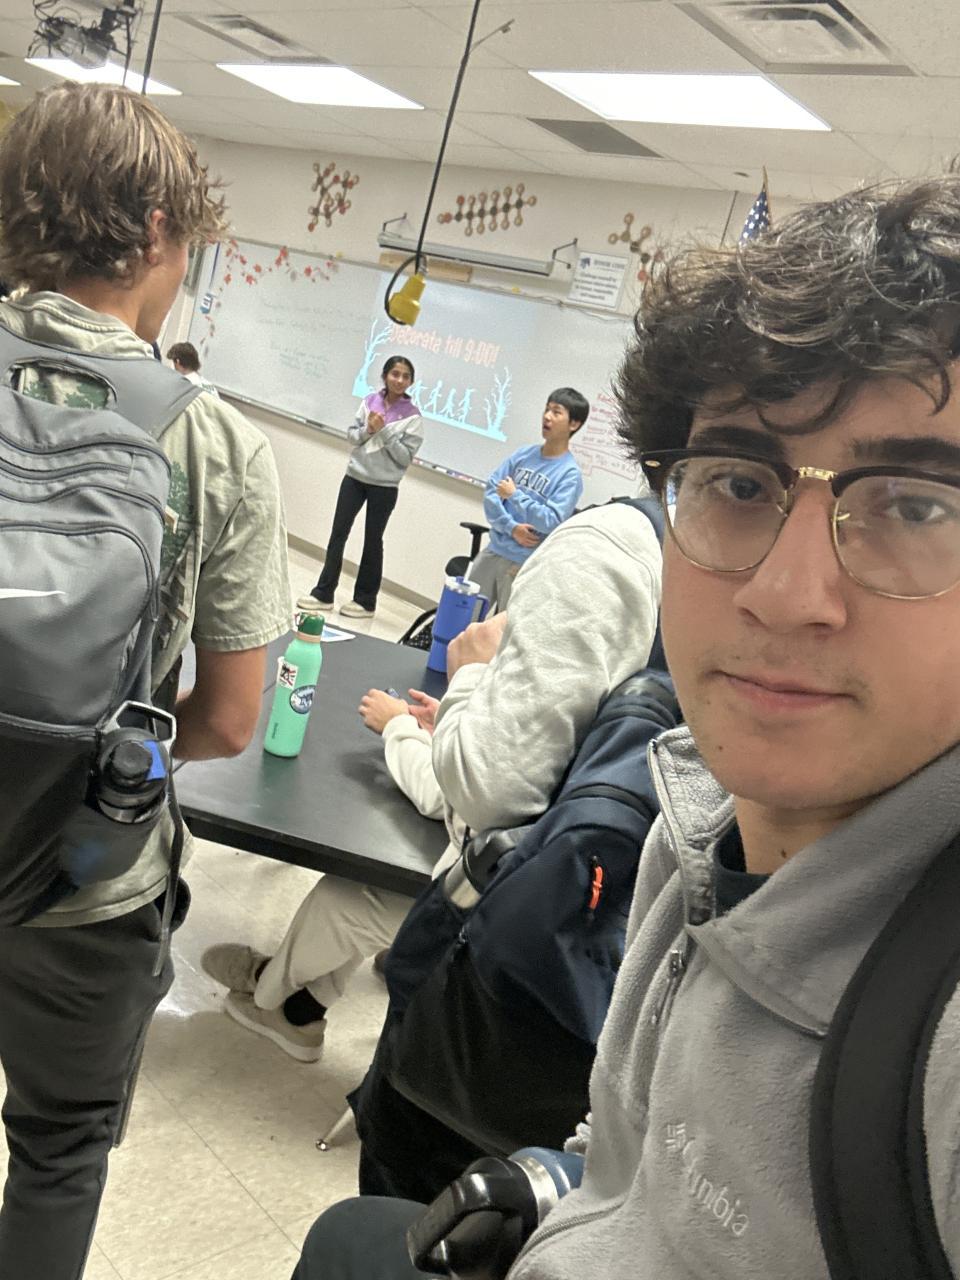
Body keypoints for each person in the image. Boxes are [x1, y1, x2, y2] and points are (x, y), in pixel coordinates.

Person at [293, 170, 960, 1278]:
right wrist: (567, 1186)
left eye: (917, 504)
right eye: (739, 483)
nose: (785, 593)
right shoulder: (690, 820)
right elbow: (635, 1144)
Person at [0, 82, 291, 1280]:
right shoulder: (215, 443)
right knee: (59, 1150)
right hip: (88, 873)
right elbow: (228, 717)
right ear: (161, 229)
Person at [349, 495, 663, 1202]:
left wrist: (472, 677)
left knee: (412, 1206)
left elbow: (489, 789)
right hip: (605, 1012)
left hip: (492, 988)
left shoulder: (605, 546)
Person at [200, 686, 464, 1061]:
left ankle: (266, 994)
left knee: (344, 901)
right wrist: (455, 727)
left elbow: (442, 796)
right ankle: (303, 1010)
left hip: (489, 924)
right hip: (517, 903)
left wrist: (399, 727)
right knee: (371, 898)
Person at [299, 355, 423, 619]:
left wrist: (383, 431)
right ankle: (323, 594)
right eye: (395, 374)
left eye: (406, 376)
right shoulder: (369, 402)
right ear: (385, 376)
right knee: (338, 534)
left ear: (411, 382)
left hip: (384, 486)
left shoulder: (413, 417)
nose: (399, 380)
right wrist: (369, 430)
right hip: (355, 478)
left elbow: (404, 458)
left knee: (372, 541)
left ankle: (365, 601)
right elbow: (352, 436)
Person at [469, 388, 588, 612]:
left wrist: (514, 496)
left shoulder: (569, 474)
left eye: (556, 412)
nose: (547, 417)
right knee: (462, 614)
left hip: (523, 563)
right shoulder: (523, 454)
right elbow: (492, 491)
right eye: (546, 409)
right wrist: (511, 527)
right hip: (494, 549)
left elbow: (551, 520)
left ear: (574, 424)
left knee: (503, 627)